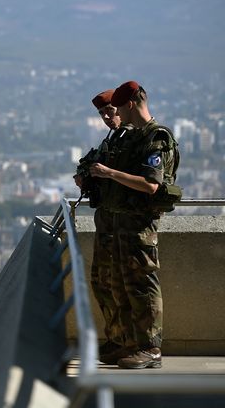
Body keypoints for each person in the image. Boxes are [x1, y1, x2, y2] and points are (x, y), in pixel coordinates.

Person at [90, 81, 179, 369]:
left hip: (139, 225)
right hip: (122, 223)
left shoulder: (156, 137)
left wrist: (110, 173)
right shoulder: (133, 138)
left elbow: (151, 185)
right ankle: (130, 343)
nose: (115, 115)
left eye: (118, 107)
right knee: (123, 286)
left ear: (129, 104)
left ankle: (150, 348)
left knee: (142, 285)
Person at [74, 89, 127, 364]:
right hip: (107, 222)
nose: (107, 117)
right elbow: (90, 163)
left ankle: (134, 344)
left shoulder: (135, 139)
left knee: (128, 287)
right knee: (102, 283)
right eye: (102, 114)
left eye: (110, 111)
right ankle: (117, 339)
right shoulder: (112, 140)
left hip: (126, 224)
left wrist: (105, 174)